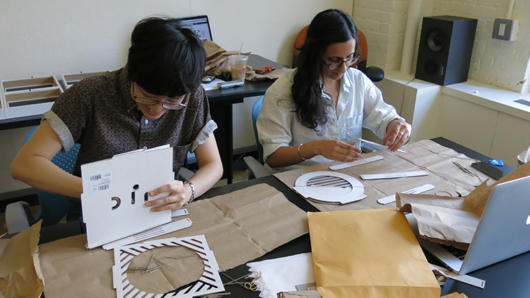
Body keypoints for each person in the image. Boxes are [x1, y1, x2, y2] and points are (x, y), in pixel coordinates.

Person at [10, 17, 223, 213]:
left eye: (171, 102)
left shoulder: (190, 97)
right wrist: (94, 191)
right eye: (148, 96)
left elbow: (214, 165)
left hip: (159, 213)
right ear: (132, 72)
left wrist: (188, 191)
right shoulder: (89, 95)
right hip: (97, 215)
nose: (158, 109)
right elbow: (25, 164)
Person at [257, 9, 411, 169]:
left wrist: (397, 125)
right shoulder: (282, 90)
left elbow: (383, 116)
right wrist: (316, 148)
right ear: (315, 54)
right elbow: (273, 156)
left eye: (350, 58)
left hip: (346, 176)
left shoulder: (357, 81)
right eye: (334, 60)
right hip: (299, 178)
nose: (343, 69)